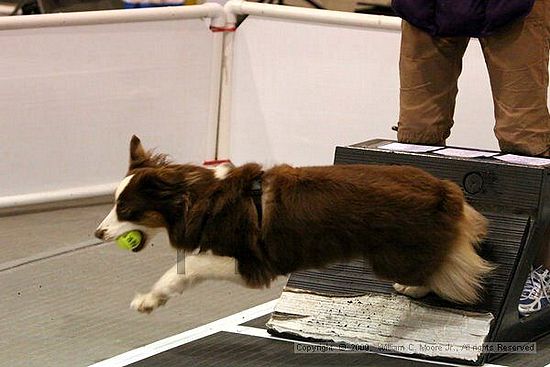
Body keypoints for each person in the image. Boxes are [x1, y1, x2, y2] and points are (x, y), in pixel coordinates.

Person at [391, 0, 550, 315]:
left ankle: (543, 266)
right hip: (426, 8)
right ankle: (425, 258)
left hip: (514, 6)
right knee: (416, 135)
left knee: (526, 139)